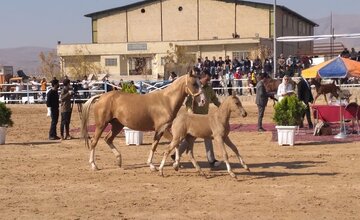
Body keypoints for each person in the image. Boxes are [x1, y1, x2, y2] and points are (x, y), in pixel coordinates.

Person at [171, 70, 222, 167]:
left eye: (209, 80)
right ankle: (211, 161)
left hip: (205, 118)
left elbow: (215, 99)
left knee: (194, 138)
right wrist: (190, 113)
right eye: (206, 79)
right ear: (202, 77)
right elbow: (188, 103)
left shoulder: (209, 89)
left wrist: (222, 108)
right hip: (195, 118)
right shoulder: (196, 88)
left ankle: (175, 155)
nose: (208, 81)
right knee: (191, 138)